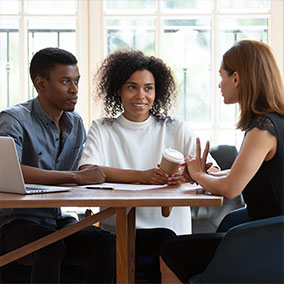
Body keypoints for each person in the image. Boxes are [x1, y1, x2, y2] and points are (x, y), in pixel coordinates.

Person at [78, 49, 219, 282]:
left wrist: (190, 175)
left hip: (172, 238)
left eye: (148, 88)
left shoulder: (176, 128)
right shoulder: (102, 128)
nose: (140, 95)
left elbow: (213, 171)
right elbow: (87, 171)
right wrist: (141, 176)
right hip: (117, 235)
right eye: (132, 87)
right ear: (118, 90)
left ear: (157, 91)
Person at [160, 39, 284, 283]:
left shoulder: (262, 129)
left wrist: (198, 176)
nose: (219, 84)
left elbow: (231, 189)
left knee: (170, 252)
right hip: (269, 234)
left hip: (269, 241)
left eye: (222, 75)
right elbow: (246, 174)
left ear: (236, 78)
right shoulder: (275, 121)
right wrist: (202, 174)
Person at [0, 47, 115, 283]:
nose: (74, 90)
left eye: (76, 81)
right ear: (41, 84)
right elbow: (10, 173)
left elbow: (78, 177)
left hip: (55, 219)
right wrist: (76, 177)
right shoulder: (13, 119)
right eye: (65, 82)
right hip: (12, 224)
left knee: (107, 243)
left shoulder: (75, 123)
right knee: (51, 244)